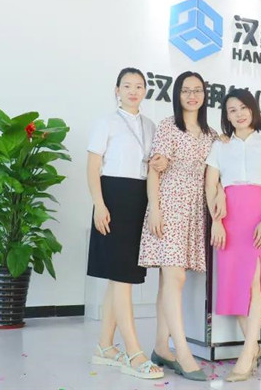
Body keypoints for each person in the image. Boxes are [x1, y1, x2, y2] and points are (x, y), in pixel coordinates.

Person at [138, 71, 218, 381]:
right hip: (169, 204)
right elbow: (154, 170)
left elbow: (215, 174)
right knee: (175, 276)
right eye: (186, 90)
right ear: (177, 95)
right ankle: (182, 352)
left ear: (204, 95)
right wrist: (155, 210)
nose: (192, 96)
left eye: (197, 90)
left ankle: (161, 347)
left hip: (195, 209)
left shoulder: (211, 134)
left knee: (168, 281)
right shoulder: (168, 126)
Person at [86, 67, 163, 380]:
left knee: (121, 276)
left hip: (140, 199)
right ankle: (134, 352)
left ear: (145, 91)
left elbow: (155, 164)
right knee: (121, 278)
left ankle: (105, 346)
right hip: (113, 198)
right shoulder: (106, 122)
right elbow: (93, 166)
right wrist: (99, 204)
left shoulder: (151, 125)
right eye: (127, 85)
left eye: (139, 86)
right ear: (117, 90)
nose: (133, 91)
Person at [205, 89, 261, 382]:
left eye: (243, 108)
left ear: (253, 110)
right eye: (231, 110)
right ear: (226, 116)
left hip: (259, 218)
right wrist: (216, 221)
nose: (238, 114)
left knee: (254, 284)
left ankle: (247, 353)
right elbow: (211, 184)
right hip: (228, 219)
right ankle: (252, 347)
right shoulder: (220, 146)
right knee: (235, 285)